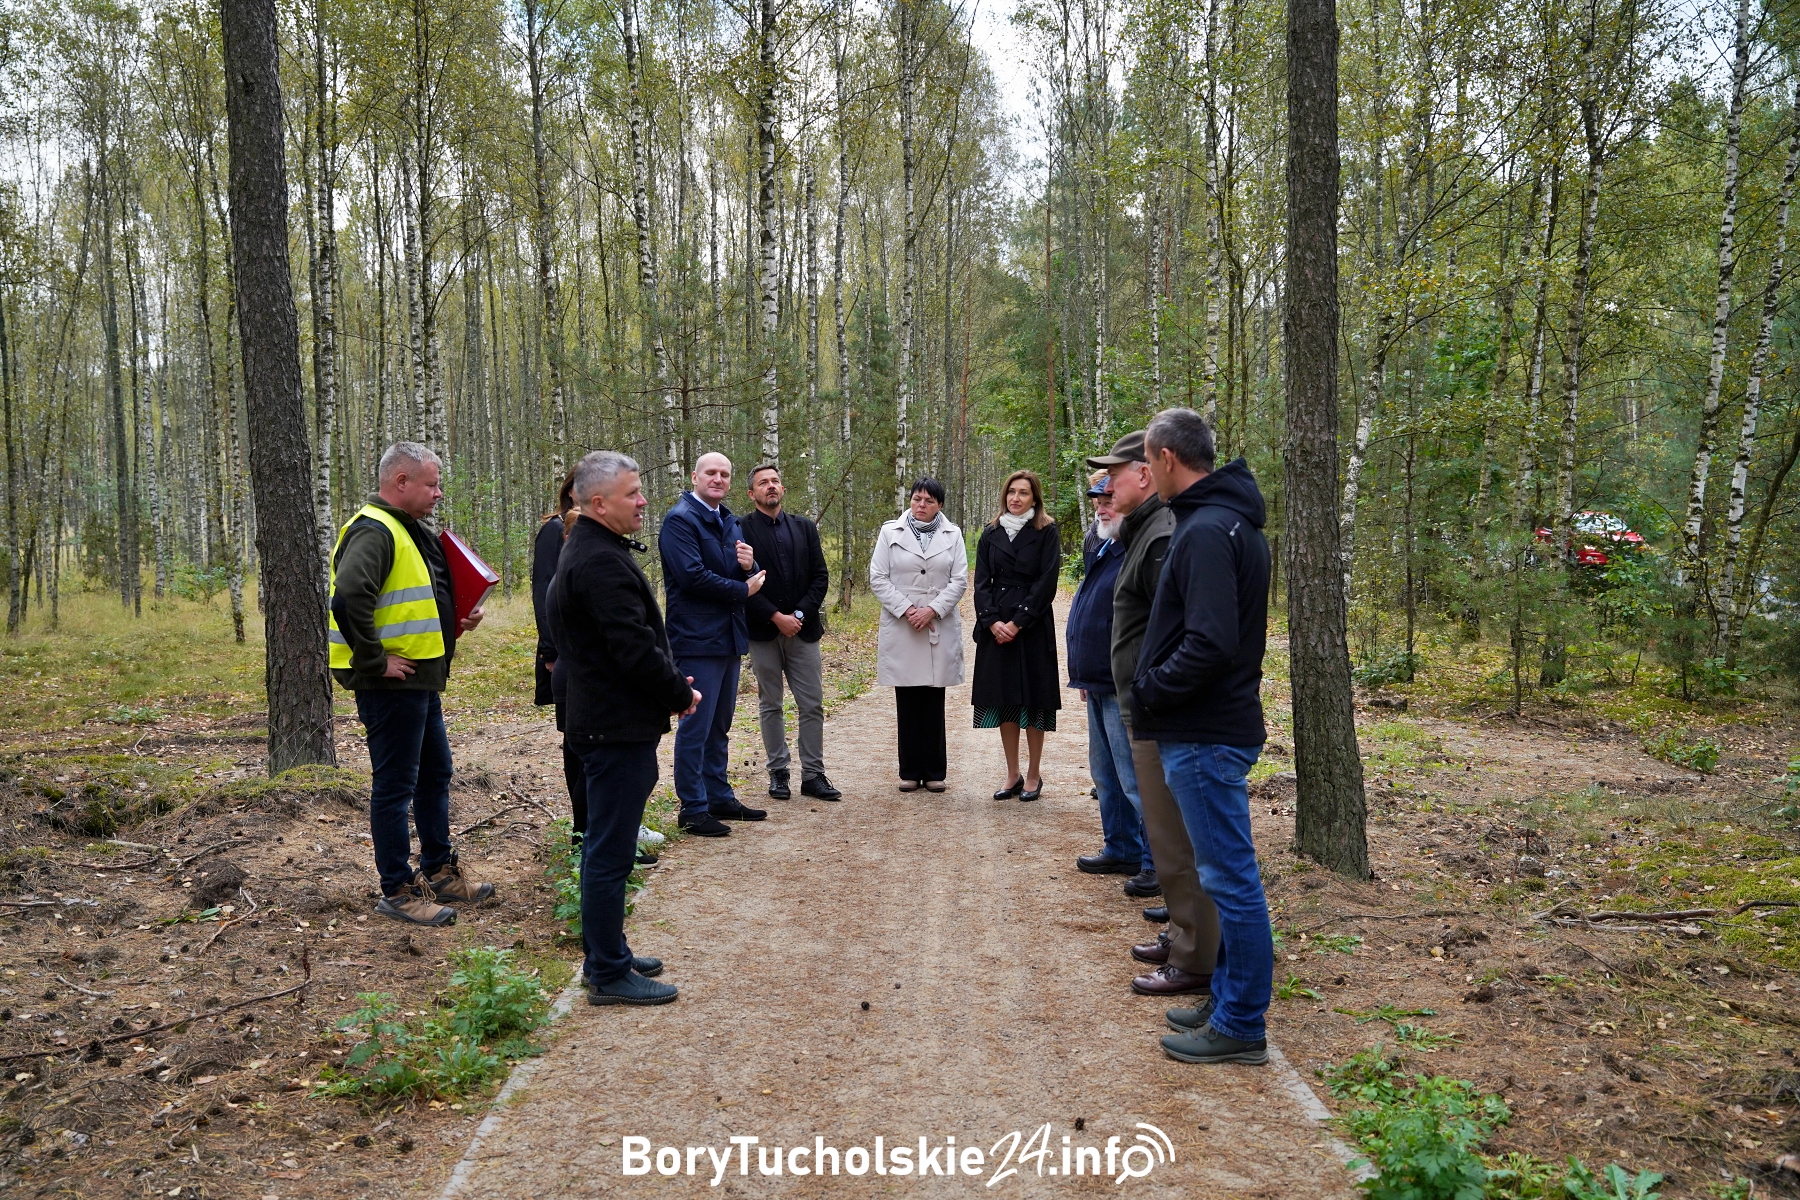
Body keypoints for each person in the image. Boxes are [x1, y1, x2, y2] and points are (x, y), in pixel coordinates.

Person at [1128, 409, 1272, 1065]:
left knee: (1230, 881)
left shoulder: (1211, 529)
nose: (1148, 473)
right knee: (1222, 879)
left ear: (1164, 458)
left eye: (1148, 462)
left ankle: (1242, 1022)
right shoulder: (1218, 521)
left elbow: (1210, 642)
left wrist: (1152, 688)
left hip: (1205, 733)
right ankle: (1227, 998)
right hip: (1202, 729)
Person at [550, 451, 697, 1006]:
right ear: (597, 503)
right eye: (632, 494)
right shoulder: (598, 560)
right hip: (612, 727)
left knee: (608, 847)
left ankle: (607, 950)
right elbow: (632, 647)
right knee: (609, 852)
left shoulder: (593, 549)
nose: (642, 502)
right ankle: (608, 971)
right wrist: (679, 693)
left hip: (608, 721)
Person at [327, 441, 493, 927]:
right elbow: (349, 596)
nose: (439, 493)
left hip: (419, 681)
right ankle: (397, 891)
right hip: (391, 687)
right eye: (432, 483)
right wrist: (374, 660)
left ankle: (439, 871)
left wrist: (456, 620)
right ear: (401, 483)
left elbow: (406, 600)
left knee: (434, 773)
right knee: (396, 786)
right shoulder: (374, 531)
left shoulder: (407, 530)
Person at [1097, 429, 1217, 999]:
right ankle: (1183, 932)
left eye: (1114, 473)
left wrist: (1149, 692)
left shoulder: (1162, 534)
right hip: (1144, 704)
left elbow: (1184, 633)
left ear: (1145, 474)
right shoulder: (1143, 532)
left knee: (1175, 837)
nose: (1104, 485)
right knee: (1169, 838)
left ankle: (1195, 953)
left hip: (1159, 709)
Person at [535, 489, 663, 864]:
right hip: (571, 668)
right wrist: (551, 652)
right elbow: (546, 591)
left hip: (590, 671)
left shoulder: (608, 550)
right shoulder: (559, 535)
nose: (639, 500)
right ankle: (591, 840)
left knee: (606, 767)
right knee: (584, 763)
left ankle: (612, 833)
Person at [660, 452, 768, 837]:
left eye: (725, 473)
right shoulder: (680, 521)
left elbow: (749, 574)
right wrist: (743, 587)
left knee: (719, 726)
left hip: (727, 637)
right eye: (711, 472)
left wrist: (748, 566)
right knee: (696, 726)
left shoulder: (729, 520)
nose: (718, 478)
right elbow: (692, 577)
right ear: (694, 476)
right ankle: (693, 807)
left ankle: (718, 795)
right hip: (695, 639)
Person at [1066, 471, 1150, 882]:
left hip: (1126, 682)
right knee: (1106, 774)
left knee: (1136, 776)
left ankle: (1156, 864)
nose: (1101, 508)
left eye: (1109, 500)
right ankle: (1121, 848)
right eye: (1096, 500)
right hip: (1098, 678)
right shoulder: (1101, 543)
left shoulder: (1140, 546)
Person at [739, 465, 841, 802]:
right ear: (752, 494)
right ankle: (778, 772)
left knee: (812, 704)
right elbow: (741, 584)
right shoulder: (740, 529)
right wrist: (775, 616)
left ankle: (813, 774)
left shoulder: (805, 528)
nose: (771, 487)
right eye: (763, 483)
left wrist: (797, 614)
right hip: (762, 632)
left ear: (783, 489)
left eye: (775, 482)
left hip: (803, 630)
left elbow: (820, 578)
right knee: (771, 704)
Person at [868, 478, 968, 791]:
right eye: (916, 499)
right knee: (908, 698)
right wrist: (909, 609)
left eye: (928, 501)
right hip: (903, 624)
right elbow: (878, 578)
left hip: (937, 621)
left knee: (934, 697)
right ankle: (910, 771)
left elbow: (959, 580)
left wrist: (933, 609)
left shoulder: (953, 534)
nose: (920, 505)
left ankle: (935, 772)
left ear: (940, 505)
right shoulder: (889, 532)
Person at [971, 470, 1061, 801]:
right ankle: (1012, 774)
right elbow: (980, 581)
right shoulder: (991, 532)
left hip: (1032, 627)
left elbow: (1047, 581)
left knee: (1034, 701)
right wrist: (993, 621)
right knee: (1004, 699)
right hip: (996, 627)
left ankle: (1034, 774)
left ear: (1034, 498)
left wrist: (1019, 622)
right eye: (1011, 492)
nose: (1016, 498)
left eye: (1023, 493)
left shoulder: (1046, 531)